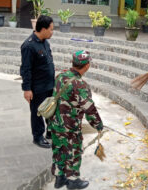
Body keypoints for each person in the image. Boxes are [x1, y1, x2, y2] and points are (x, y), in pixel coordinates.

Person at [48, 50, 103, 190]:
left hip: (55, 123)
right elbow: (90, 109)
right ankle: (73, 181)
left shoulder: (60, 76)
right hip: (70, 127)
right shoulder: (80, 85)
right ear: (87, 65)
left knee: (59, 149)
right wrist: (98, 125)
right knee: (73, 151)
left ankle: (59, 178)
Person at [20, 15, 54, 148]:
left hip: (49, 84)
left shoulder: (46, 42)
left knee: (50, 110)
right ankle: (38, 136)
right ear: (43, 29)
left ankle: (49, 132)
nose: (52, 32)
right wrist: (27, 89)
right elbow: (26, 69)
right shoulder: (28, 46)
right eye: (51, 29)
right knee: (37, 112)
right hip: (37, 87)